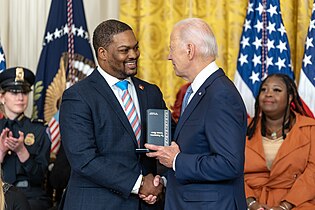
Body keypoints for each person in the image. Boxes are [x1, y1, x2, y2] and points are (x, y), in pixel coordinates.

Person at [59, 19, 167, 210]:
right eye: (124, 50)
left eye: (136, 47)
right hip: (99, 204)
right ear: (103, 54)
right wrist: (139, 184)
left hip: (148, 204)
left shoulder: (150, 92)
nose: (134, 55)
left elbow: (167, 141)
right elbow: (84, 159)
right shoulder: (78, 97)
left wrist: (159, 182)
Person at [145, 18, 247, 210]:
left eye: (172, 48)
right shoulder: (200, 90)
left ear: (190, 50)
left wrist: (176, 161)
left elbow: (229, 163)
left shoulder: (220, 94)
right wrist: (167, 180)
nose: (169, 56)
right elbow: (195, 148)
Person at [244, 73, 315, 210]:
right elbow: (231, 170)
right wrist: (251, 202)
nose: (268, 94)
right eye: (264, 90)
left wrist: (285, 206)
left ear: (290, 98)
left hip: (297, 202)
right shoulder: (243, 129)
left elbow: (312, 174)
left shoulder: (310, 128)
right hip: (247, 201)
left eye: (276, 90)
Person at [0, 67, 52, 210]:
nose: (20, 97)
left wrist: (22, 151)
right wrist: (1, 152)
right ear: (2, 97)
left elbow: (41, 178)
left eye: (24, 92)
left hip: (30, 196)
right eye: (14, 92)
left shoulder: (39, 130)